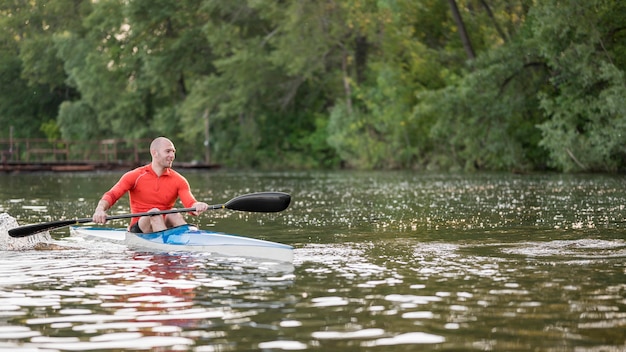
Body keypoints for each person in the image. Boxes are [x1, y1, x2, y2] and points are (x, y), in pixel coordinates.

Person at [92, 137, 209, 233]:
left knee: (173, 212)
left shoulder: (179, 180)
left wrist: (197, 206)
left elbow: (190, 204)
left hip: (164, 225)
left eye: (173, 152)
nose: (172, 155)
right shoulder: (135, 176)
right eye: (168, 151)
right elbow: (112, 195)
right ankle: (166, 249)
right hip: (139, 229)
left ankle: (191, 237)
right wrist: (99, 210)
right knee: (154, 212)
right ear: (155, 153)